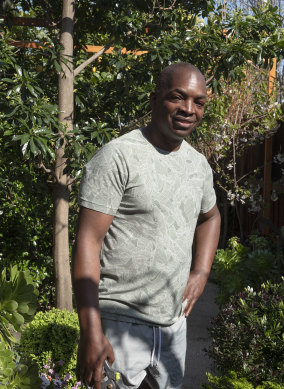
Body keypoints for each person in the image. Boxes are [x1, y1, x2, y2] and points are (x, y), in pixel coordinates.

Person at [73, 62, 221, 389]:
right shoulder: (118, 157)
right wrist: (91, 331)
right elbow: (87, 242)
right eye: (178, 97)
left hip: (172, 326)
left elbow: (211, 217)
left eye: (199, 102)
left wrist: (201, 272)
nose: (189, 109)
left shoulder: (198, 166)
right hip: (119, 322)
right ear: (154, 100)